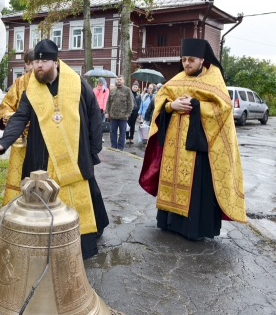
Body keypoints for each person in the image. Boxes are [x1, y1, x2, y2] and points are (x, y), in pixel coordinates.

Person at [0, 39, 109, 260]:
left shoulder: (77, 83)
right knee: (41, 198)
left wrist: (93, 149)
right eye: (36, 62)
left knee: (78, 196)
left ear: (55, 62)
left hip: (75, 152)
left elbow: (94, 115)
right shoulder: (32, 88)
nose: (38, 67)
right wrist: (4, 141)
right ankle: (43, 245)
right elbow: (20, 116)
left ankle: (79, 246)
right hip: (41, 154)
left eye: (43, 62)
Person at [139, 38, 246, 241]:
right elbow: (160, 100)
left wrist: (196, 105)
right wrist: (171, 107)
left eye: (191, 60)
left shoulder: (214, 80)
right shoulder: (177, 78)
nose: (187, 64)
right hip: (173, 146)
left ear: (201, 60)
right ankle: (168, 223)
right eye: (184, 59)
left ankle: (192, 229)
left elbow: (223, 109)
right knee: (171, 179)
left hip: (196, 147)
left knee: (196, 186)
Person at [0, 49, 34, 205]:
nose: (32, 67)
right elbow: (6, 105)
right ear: (25, 65)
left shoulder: (45, 82)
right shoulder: (19, 83)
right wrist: (10, 117)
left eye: (34, 63)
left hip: (40, 134)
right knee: (18, 173)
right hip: (20, 137)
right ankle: (16, 203)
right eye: (29, 63)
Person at [105, 76, 133, 151]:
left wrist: (128, 113)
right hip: (113, 115)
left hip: (123, 115)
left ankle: (120, 148)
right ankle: (113, 146)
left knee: (122, 133)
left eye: (120, 79)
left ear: (123, 81)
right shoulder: (113, 90)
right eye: (118, 79)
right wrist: (107, 112)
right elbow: (108, 102)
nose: (119, 81)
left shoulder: (127, 90)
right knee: (112, 131)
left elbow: (130, 103)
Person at [93, 77, 109, 142]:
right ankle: (95, 136)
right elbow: (93, 97)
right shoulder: (94, 89)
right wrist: (97, 90)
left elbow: (105, 99)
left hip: (102, 108)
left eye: (101, 82)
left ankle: (101, 136)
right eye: (99, 82)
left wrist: (105, 108)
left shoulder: (106, 90)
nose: (100, 83)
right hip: (95, 108)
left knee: (102, 123)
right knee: (95, 122)